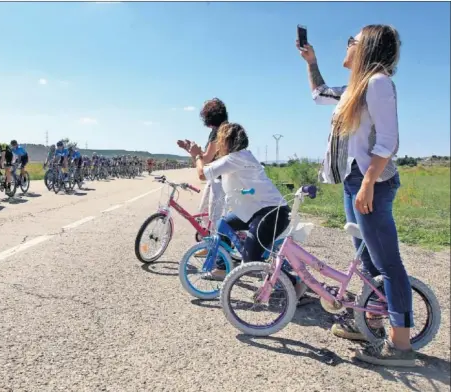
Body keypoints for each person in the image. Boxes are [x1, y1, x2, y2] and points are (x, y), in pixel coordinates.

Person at [298, 24, 413, 366]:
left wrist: (367, 183)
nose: (348, 45)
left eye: (353, 41)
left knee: (387, 263)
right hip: (355, 181)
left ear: (369, 48)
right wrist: (310, 59)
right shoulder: (354, 89)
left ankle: (401, 347)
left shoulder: (378, 84)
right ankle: (370, 325)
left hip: (370, 183)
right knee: (367, 263)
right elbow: (319, 93)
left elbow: (388, 141)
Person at [187, 122, 290, 280]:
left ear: (227, 141)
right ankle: (222, 268)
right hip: (260, 210)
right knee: (224, 224)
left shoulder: (235, 159)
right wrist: (195, 154)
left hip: (270, 213)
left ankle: (294, 283)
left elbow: (202, 173)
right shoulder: (241, 156)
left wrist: (197, 155)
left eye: (220, 141)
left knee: (250, 262)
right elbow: (210, 167)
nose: (218, 146)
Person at [177, 98, 228, 256]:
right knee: (205, 212)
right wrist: (191, 151)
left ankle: (219, 256)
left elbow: (205, 159)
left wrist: (195, 153)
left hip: (221, 179)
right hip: (216, 177)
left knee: (214, 217)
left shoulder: (221, 131)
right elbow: (204, 159)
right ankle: (209, 246)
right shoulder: (218, 129)